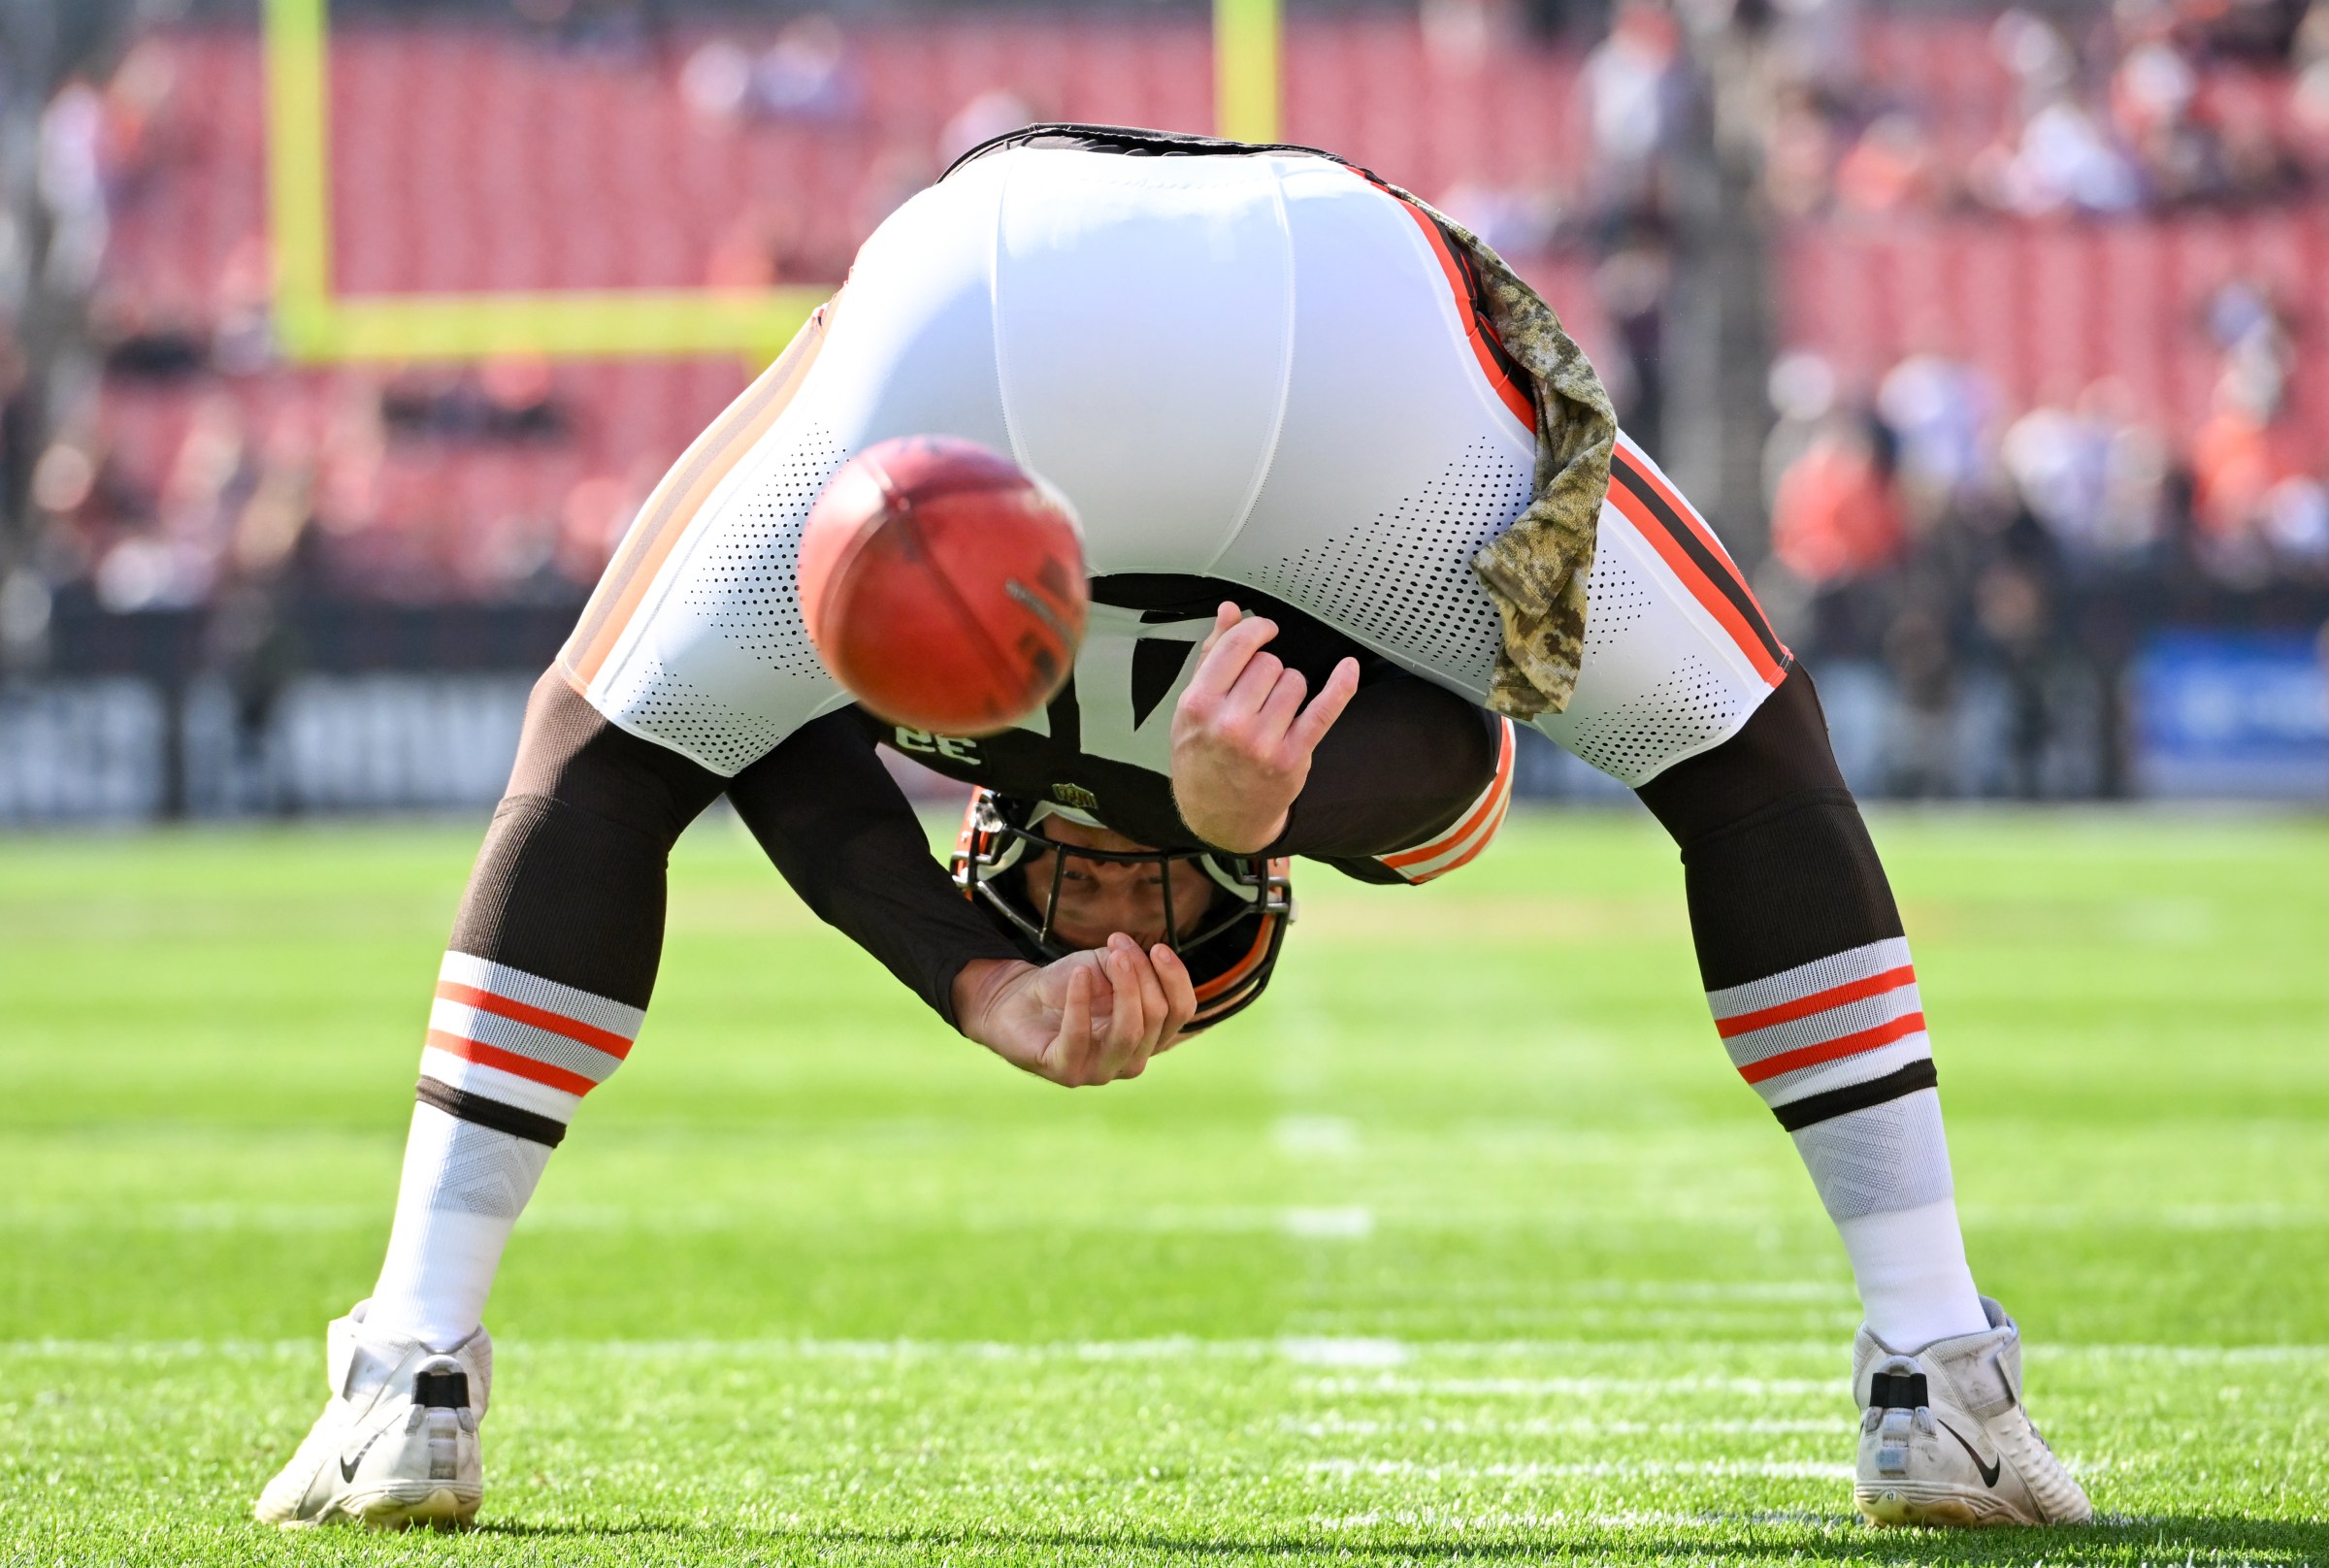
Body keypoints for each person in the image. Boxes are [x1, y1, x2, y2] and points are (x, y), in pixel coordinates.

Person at [255, 126, 2090, 1533]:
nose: (1120, 902)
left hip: (992, 306)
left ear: (1000, 862)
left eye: (1083, 916)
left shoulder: (935, 743)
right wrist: (1252, 801)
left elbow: (733, 742)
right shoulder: (1333, 780)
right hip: (1332, 344)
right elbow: (1462, 771)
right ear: (1249, 891)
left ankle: (415, 1353)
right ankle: (1930, 1352)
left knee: (593, 745)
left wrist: (969, 981)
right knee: (1752, 758)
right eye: (1172, 912)